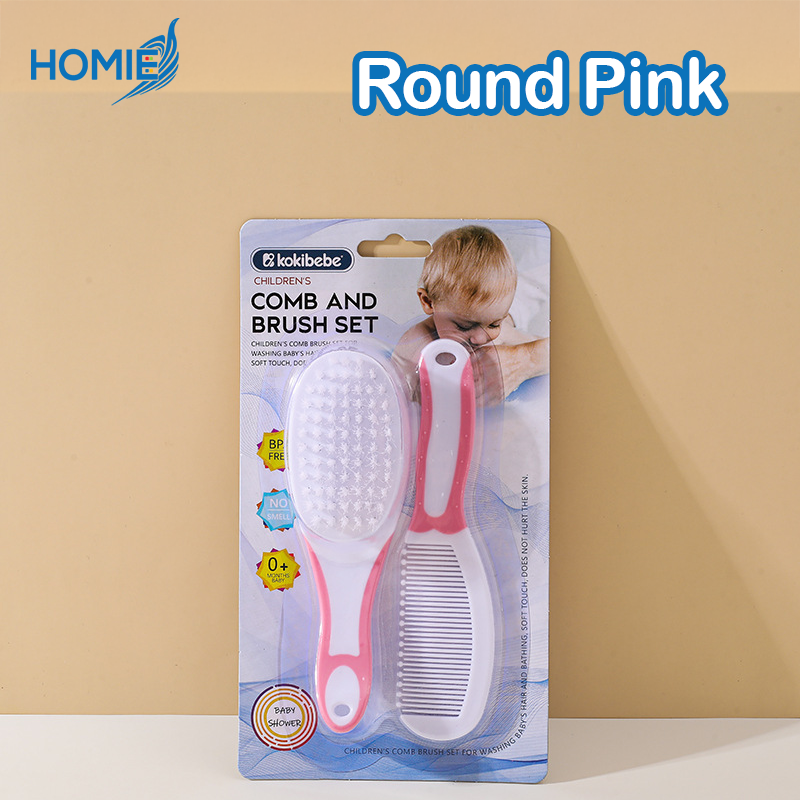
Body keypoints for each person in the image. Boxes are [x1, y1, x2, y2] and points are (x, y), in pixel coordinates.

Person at [393, 225, 549, 403]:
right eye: (464, 326)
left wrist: (526, 360)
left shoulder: (500, 336)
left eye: (494, 324)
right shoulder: (415, 344)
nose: (480, 338)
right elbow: (395, 393)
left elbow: (548, 351)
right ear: (428, 302)